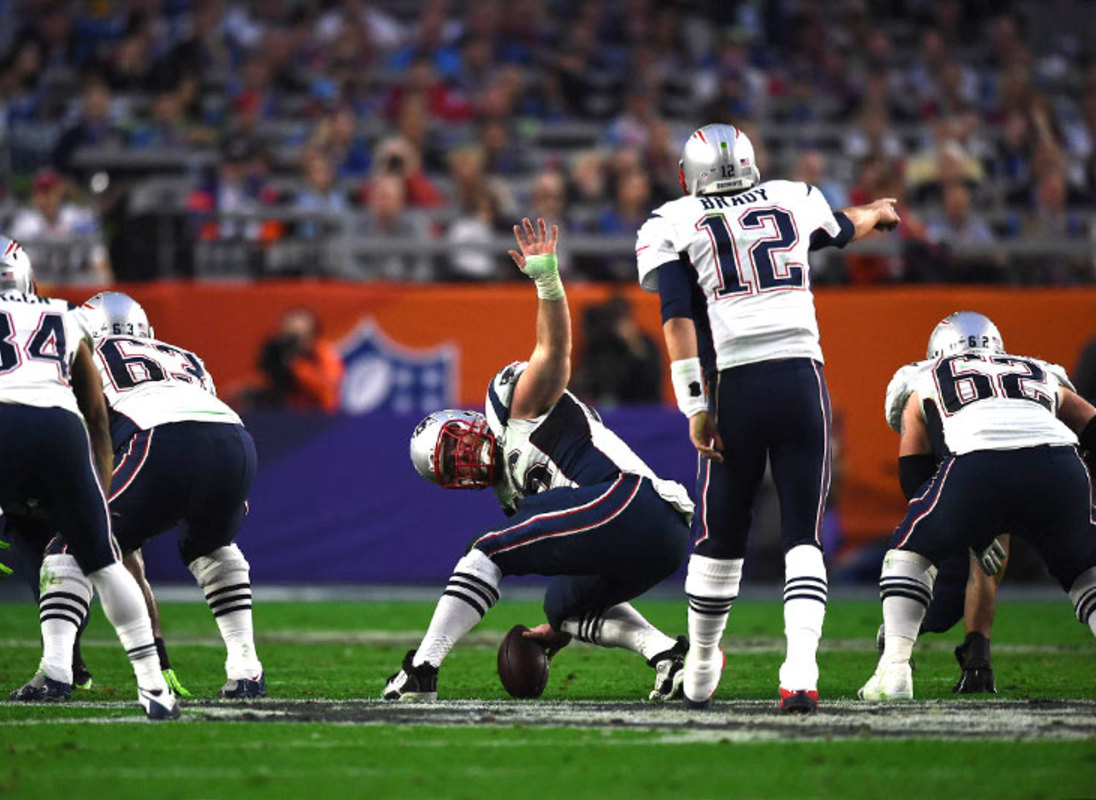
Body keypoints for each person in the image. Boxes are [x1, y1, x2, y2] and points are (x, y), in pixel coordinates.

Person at [634, 123, 901, 713]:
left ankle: (702, 667)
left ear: (691, 174)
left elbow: (677, 320)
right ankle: (800, 673)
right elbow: (839, 226)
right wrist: (876, 210)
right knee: (802, 533)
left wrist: (695, 405)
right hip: (802, 380)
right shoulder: (792, 198)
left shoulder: (672, 221)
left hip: (737, 383)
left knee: (721, 532)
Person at [383, 218, 693, 702]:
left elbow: (554, 352)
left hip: (630, 500)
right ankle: (668, 656)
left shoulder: (516, 405)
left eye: (453, 445)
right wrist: (558, 634)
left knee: (486, 549)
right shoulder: (512, 497)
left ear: (466, 421)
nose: (462, 459)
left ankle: (422, 666)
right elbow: (576, 537)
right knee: (563, 607)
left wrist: (547, 281)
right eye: (450, 467)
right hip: (658, 539)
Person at [0, 234, 179, 719]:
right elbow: (94, 415)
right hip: (63, 428)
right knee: (106, 565)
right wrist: (98, 501)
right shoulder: (64, 313)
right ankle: (155, 688)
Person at [11, 291, 265, 700]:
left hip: (159, 437)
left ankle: (56, 671)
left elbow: (73, 430)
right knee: (212, 545)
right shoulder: (185, 356)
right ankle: (247, 669)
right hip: (234, 439)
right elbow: (204, 416)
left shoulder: (75, 351)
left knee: (71, 542)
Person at [860, 311, 1096, 700]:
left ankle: (895, 669)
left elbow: (913, 473)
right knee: (1084, 568)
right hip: (1060, 463)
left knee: (908, 550)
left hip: (976, 462)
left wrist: (962, 522)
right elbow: (1089, 421)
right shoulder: (1038, 370)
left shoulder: (922, 377)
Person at [881, 335, 1017, 694]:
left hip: (991, 474)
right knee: (939, 596)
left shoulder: (923, 379)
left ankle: (977, 661)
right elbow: (915, 478)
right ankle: (896, 647)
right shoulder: (924, 385)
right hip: (950, 480)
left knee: (982, 568)